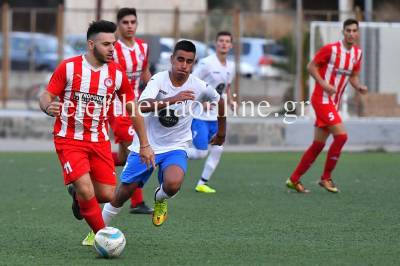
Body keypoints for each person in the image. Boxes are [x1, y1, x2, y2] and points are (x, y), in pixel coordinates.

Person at [39, 20, 154, 240]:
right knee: (86, 189)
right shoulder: (69, 67)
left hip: (99, 141)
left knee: (107, 194)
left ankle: (77, 196)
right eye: (106, 44)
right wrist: (47, 106)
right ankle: (103, 237)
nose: (112, 49)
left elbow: (133, 109)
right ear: (91, 44)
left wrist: (145, 144)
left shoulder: (117, 74)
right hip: (69, 138)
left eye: (113, 44)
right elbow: (46, 95)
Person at [99, 40, 226, 229]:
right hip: (147, 145)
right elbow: (141, 106)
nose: (184, 65)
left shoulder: (199, 86)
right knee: (123, 193)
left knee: (173, 184)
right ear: (172, 59)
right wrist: (172, 99)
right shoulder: (158, 79)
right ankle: (97, 230)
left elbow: (220, 101)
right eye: (180, 59)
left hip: (176, 146)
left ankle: (160, 198)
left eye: (189, 61)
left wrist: (222, 132)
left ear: (193, 63)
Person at [286, 18, 367, 193]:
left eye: (354, 31)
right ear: (343, 32)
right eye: (348, 31)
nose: (351, 34)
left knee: (318, 144)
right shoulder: (331, 49)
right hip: (321, 99)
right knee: (342, 137)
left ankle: (293, 179)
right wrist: (323, 83)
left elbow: (353, 76)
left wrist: (359, 86)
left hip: (333, 103)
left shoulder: (357, 54)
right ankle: (326, 178)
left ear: (357, 33)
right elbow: (311, 66)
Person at [108, 7, 153, 215]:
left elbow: (144, 73)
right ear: (118, 24)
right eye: (125, 22)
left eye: (133, 22)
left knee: (127, 156)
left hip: (135, 107)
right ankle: (137, 202)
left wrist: (155, 91)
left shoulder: (143, 47)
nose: (129, 26)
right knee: (138, 149)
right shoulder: (112, 49)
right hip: (116, 108)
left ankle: (87, 167)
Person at [186, 31, 235, 193]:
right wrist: (202, 101)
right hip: (200, 116)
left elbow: (225, 87)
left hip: (218, 117)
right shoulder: (206, 63)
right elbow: (191, 82)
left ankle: (202, 183)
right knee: (200, 153)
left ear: (231, 45)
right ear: (216, 43)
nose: (224, 44)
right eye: (221, 40)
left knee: (218, 148)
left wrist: (231, 101)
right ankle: (169, 153)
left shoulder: (231, 66)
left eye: (227, 41)